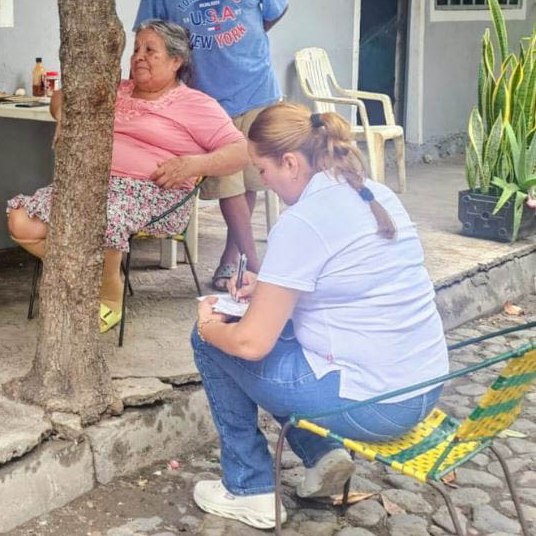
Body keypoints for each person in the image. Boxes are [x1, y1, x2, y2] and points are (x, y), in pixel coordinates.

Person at [190, 103, 448, 529]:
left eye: (263, 170)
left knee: (216, 342)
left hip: (377, 405)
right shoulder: (374, 194)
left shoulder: (303, 221)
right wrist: (267, 284)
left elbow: (251, 345)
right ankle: (321, 454)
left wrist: (207, 324)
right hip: (423, 385)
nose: (264, 181)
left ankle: (249, 488)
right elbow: (345, 282)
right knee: (279, 334)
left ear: (290, 163)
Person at [7, 21, 248, 333]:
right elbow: (63, 96)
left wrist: (192, 165)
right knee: (21, 221)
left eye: (150, 50)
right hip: (91, 185)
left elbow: (240, 151)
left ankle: (110, 294)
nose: (138, 57)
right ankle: (89, 274)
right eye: (135, 50)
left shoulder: (196, 104)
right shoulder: (116, 89)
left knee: (101, 216)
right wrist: (65, 116)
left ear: (176, 61)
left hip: (153, 193)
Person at [136, 0, 289, 292]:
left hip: (256, 88)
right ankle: (255, 268)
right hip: (204, 98)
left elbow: (273, 11)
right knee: (227, 184)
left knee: (250, 180)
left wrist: (241, 41)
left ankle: (230, 261)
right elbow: (149, 32)